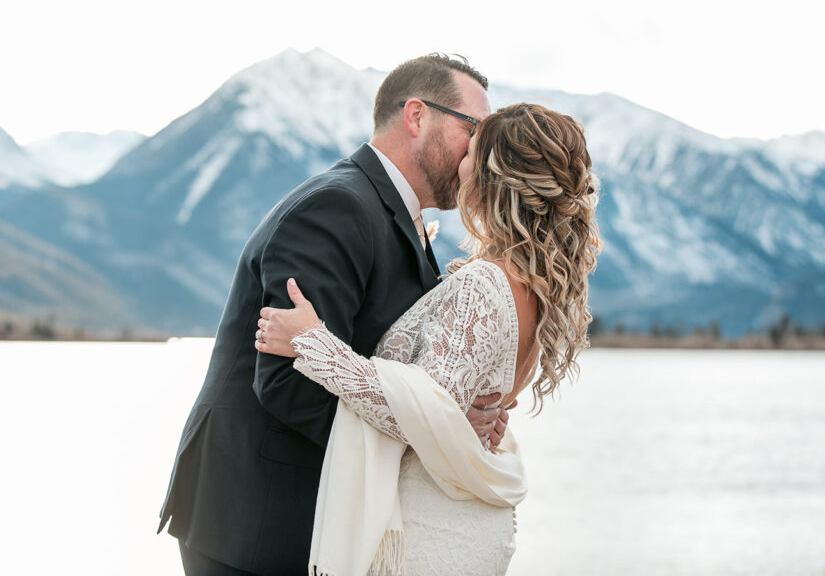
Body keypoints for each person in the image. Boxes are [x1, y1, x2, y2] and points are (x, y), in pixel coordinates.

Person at [158, 54, 513, 576]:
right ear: (417, 116)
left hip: (299, 516)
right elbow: (288, 382)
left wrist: (451, 412)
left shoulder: (390, 212)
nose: (478, 152)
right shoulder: (338, 207)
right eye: (473, 128)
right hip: (257, 519)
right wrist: (434, 435)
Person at [255, 102, 600, 575]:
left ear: (493, 179)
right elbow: (444, 412)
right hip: (462, 523)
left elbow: (420, 416)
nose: (459, 163)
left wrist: (313, 343)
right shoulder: (535, 289)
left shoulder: (485, 284)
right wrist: (462, 419)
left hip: (431, 534)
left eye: (471, 153)